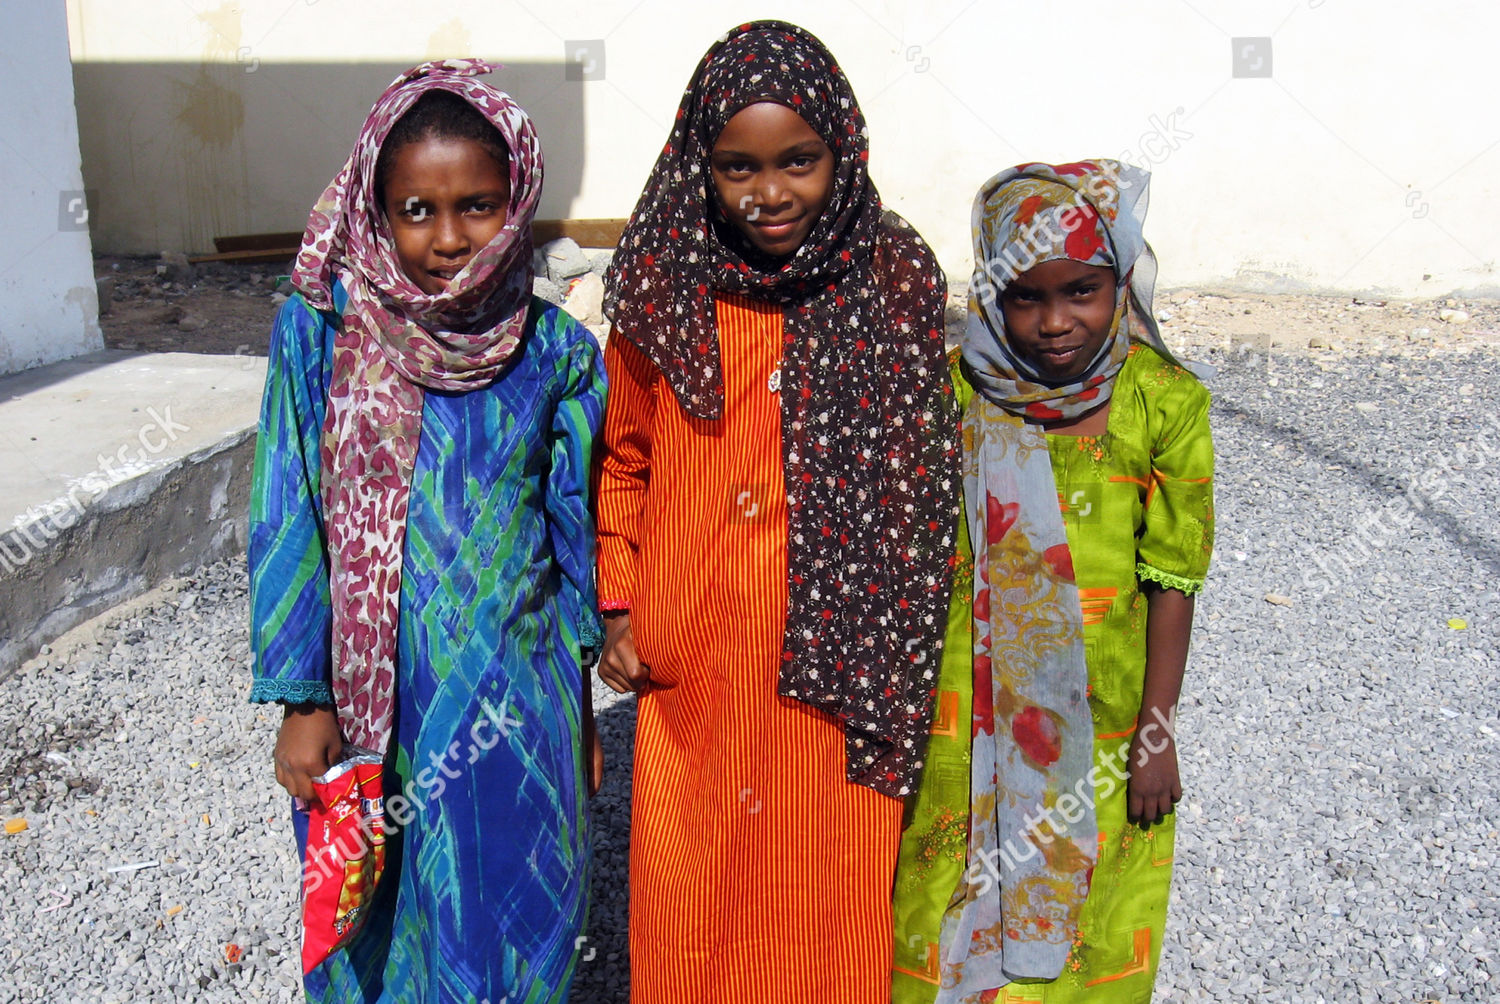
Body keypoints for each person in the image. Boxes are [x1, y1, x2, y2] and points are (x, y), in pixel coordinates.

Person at [594, 20, 958, 1003]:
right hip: (695, 656)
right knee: (690, 894)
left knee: (826, 898)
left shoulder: (890, 279)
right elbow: (622, 457)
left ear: (843, 147)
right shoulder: (664, 283)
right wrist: (621, 604)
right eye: (737, 166)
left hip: (838, 669)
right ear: (697, 166)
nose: (771, 191)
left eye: (799, 160)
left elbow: (924, 489)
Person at [248, 59, 604, 1003]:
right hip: (370, 707)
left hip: (514, 700)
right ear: (375, 209)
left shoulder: (556, 352)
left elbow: (575, 534)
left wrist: (578, 683)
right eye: (416, 210)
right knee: (382, 923)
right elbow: (289, 514)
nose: (449, 238)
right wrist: (301, 696)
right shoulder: (321, 336)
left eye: (478, 205)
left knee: (516, 913)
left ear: (520, 198)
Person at [891, 160, 1215, 1002]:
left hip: (1107, 721)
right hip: (972, 711)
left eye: (1083, 291)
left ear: (1121, 280)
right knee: (956, 894)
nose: (1054, 322)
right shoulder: (962, 392)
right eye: (1025, 298)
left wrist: (1157, 732)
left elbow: (1171, 579)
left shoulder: (1165, 404)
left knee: (1091, 911)